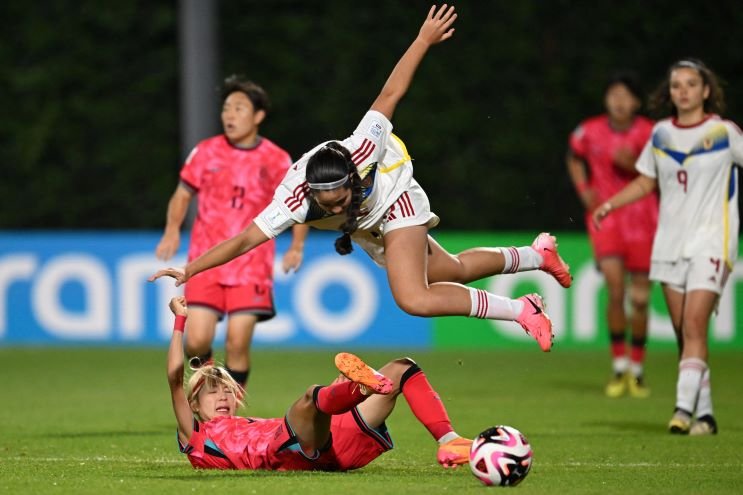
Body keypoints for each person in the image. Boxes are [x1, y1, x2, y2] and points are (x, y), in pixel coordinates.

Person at [151, 5, 572, 352]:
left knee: (414, 298)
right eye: (327, 204)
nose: (333, 207)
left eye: (339, 198)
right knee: (454, 271)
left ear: (352, 178)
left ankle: (521, 310)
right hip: (368, 223)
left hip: (395, 196)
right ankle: (538, 255)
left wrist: (422, 40)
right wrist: (192, 269)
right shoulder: (294, 198)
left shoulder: (363, 149)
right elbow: (244, 240)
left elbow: (390, 94)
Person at [593, 58, 741, 435]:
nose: (684, 91)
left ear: (706, 91)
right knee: (683, 331)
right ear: (670, 92)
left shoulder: (724, 132)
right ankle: (704, 415)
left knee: (693, 324)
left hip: (712, 240)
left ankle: (680, 409)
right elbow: (646, 182)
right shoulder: (660, 134)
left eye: (692, 84)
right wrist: (611, 203)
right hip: (669, 244)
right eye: (677, 85)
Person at [166, 295, 474, 470]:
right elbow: (175, 377)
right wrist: (180, 320)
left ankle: (449, 441)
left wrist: (335, 402)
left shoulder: (248, 422)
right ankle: (355, 390)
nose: (222, 397)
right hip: (288, 450)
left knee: (403, 368)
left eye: (227, 391)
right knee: (312, 396)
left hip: (323, 443)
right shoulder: (194, 435)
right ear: (193, 404)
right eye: (212, 392)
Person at [155, 75, 309, 389]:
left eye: (239, 108)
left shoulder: (276, 159)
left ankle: (231, 414)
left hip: (251, 264)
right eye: (226, 108)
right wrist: (172, 230)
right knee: (196, 341)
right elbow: (183, 194)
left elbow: (298, 203)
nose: (229, 115)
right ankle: (211, 388)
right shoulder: (206, 152)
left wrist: (297, 245)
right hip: (206, 261)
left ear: (258, 116)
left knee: (238, 343)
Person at [567, 72, 656, 398]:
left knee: (641, 299)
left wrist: (634, 166)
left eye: (625, 95)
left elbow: (662, 175)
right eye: (613, 94)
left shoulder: (650, 133)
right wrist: (584, 189)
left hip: (644, 218)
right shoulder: (589, 131)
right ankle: (619, 368)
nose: (619, 101)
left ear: (635, 102)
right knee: (616, 289)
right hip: (606, 219)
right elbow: (574, 158)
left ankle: (638, 370)